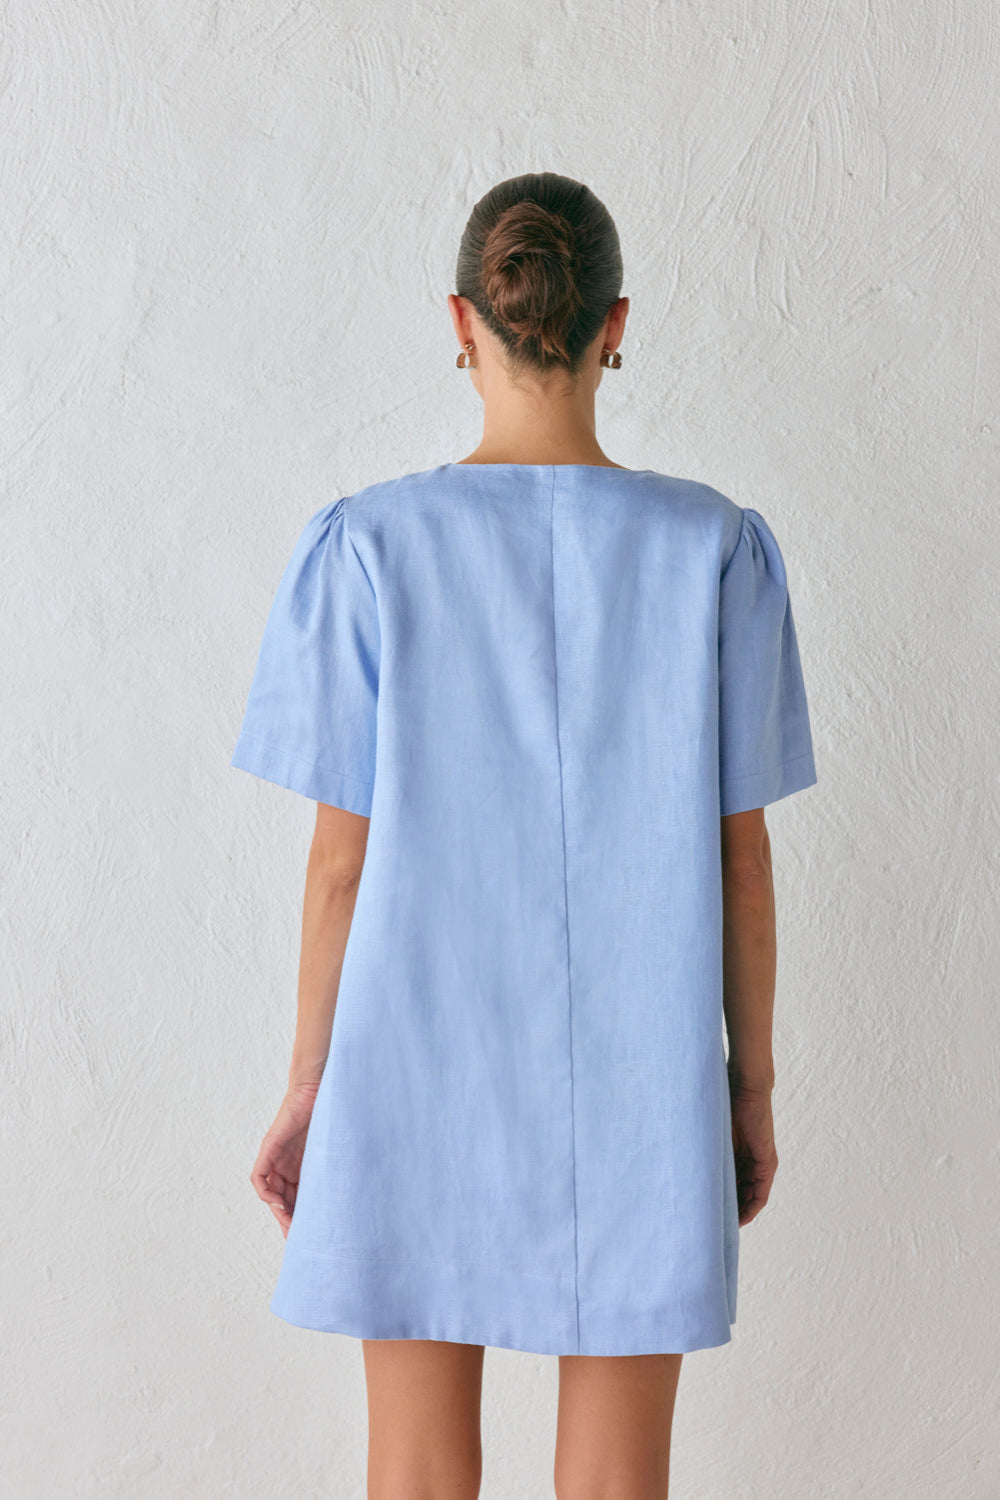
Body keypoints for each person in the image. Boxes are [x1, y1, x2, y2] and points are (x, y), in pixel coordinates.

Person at [231, 171, 818, 1499]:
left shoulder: (370, 547)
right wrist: (751, 1088)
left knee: (416, 1476)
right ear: (615, 323)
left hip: (411, 1072)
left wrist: (310, 1085)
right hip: (641, 1083)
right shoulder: (714, 550)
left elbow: (339, 868)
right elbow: (742, 863)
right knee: (617, 1485)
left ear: (462, 322)